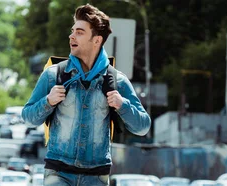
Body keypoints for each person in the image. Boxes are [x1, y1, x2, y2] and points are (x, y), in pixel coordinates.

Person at [22, 4, 151, 186]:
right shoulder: (54, 75)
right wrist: (48, 101)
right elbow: (27, 118)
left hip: (96, 177)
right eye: (72, 30)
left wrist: (122, 104)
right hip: (58, 174)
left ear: (96, 40)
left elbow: (143, 127)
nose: (71, 36)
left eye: (80, 32)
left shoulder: (116, 80)